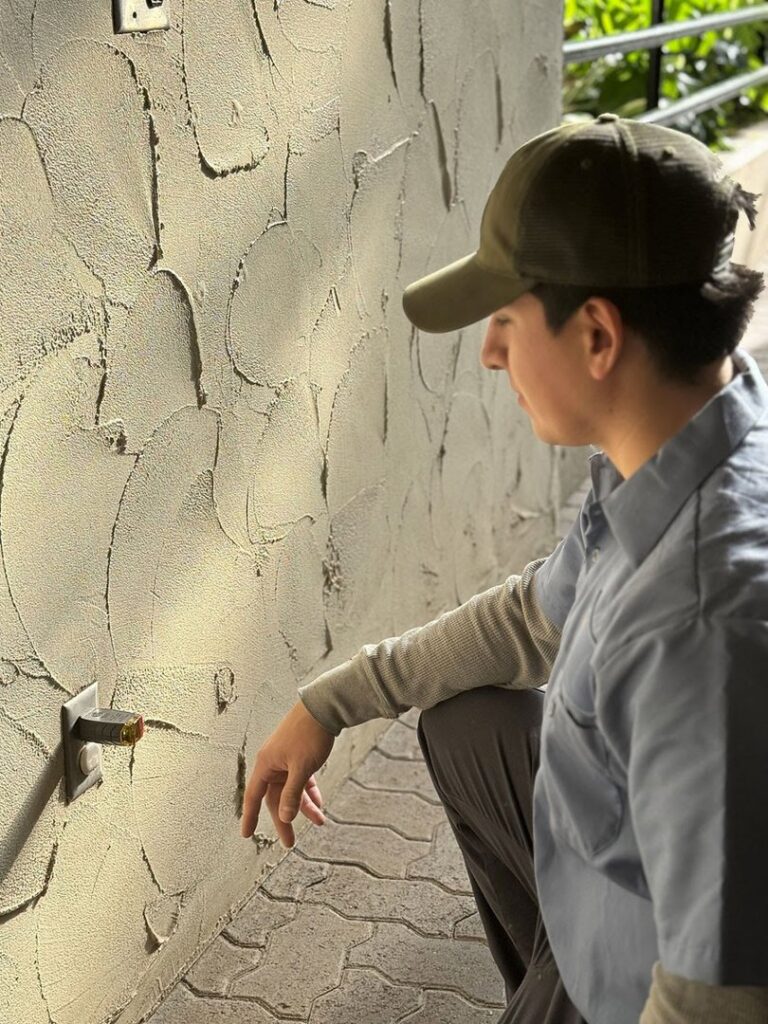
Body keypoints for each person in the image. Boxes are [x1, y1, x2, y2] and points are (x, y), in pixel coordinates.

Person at [240, 113, 768, 1024]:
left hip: (660, 975)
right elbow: (533, 617)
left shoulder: (699, 625)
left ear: (598, 336)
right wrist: (336, 697)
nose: (488, 351)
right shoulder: (701, 435)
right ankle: (552, 977)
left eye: (507, 320)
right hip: (620, 881)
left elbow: (719, 992)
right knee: (468, 722)